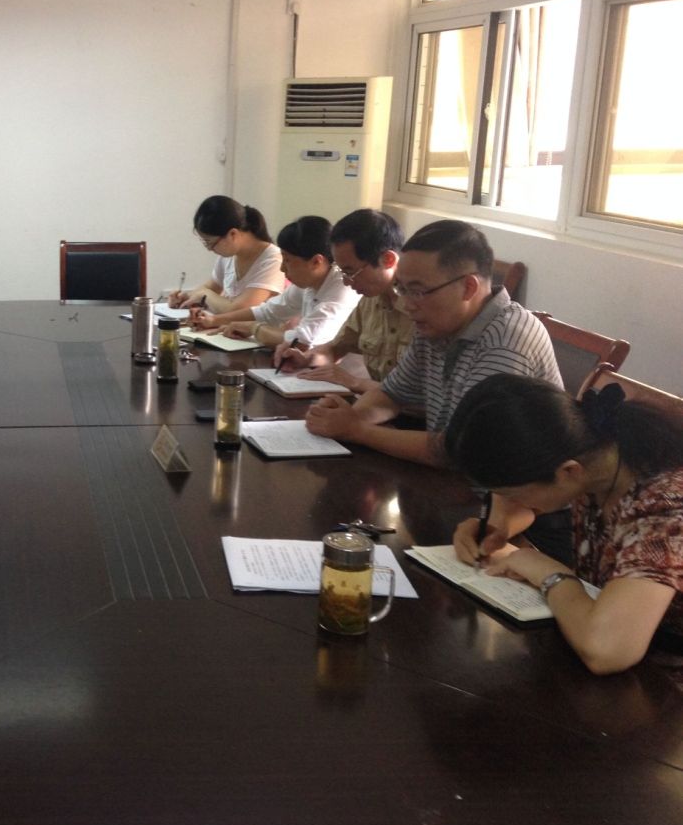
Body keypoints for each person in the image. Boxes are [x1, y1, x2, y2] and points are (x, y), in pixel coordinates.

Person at [444, 374, 683, 675]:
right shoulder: (599, 459)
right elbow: (524, 503)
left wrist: (551, 574)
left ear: (568, 472)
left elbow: (606, 650)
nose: (509, 500)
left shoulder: (666, 507)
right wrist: (496, 527)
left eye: (512, 493)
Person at [305, 219, 560, 465]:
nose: (407, 304)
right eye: (402, 289)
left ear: (468, 288)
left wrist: (357, 430)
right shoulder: (436, 326)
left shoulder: (504, 342)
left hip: (506, 488)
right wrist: (346, 418)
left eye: (417, 291)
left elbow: (458, 450)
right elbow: (390, 395)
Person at [273, 208, 413, 394]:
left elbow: (416, 397)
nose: (346, 282)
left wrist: (354, 382)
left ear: (387, 260)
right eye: (341, 272)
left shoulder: (420, 309)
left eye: (351, 272)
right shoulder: (369, 301)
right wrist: (307, 359)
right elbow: (333, 349)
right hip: (375, 404)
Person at [191, 215, 360, 352]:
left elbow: (302, 342)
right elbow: (269, 311)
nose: (282, 268)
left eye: (287, 261)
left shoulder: (342, 288)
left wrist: (254, 329)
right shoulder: (310, 282)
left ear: (316, 262)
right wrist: (214, 320)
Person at [168, 196, 285, 314]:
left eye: (210, 243)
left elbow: (238, 311)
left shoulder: (273, 260)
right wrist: (186, 297)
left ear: (232, 234)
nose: (209, 249)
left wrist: (203, 294)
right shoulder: (229, 255)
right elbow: (210, 288)